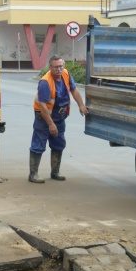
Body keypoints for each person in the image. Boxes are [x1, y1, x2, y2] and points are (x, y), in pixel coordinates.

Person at [29, 55, 88, 183]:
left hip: (59, 116)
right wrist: (50, 124)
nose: (59, 69)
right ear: (50, 68)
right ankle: (33, 174)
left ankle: (55, 172)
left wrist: (81, 105)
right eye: (56, 67)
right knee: (39, 144)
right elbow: (42, 106)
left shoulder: (66, 74)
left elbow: (74, 90)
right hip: (43, 117)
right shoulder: (45, 82)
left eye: (61, 66)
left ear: (64, 66)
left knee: (59, 143)